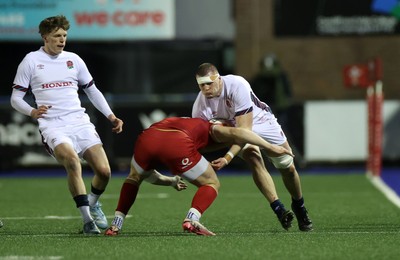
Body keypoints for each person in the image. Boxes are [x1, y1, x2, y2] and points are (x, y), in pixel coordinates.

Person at [10, 15, 124, 235]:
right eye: (57, 36)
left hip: (79, 121)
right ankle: (87, 221)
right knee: (73, 162)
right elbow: (16, 98)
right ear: (45, 37)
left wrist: (111, 116)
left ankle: (93, 203)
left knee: (104, 171)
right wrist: (32, 111)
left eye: (64, 35)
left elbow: (92, 90)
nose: (62, 40)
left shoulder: (74, 59)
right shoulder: (31, 61)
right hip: (52, 125)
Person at [105, 117, 293, 236]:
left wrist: (171, 181)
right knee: (211, 182)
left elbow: (147, 175)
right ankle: (191, 219)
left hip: (147, 137)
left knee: (133, 178)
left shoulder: (188, 121)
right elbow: (239, 134)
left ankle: (116, 224)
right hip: (176, 142)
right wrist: (271, 147)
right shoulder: (214, 127)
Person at [192, 63, 313, 232]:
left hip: (261, 121)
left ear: (218, 79)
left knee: (287, 166)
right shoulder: (200, 107)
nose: (205, 88)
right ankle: (278, 208)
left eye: (209, 83)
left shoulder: (236, 85)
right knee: (253, 157)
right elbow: (202, 141)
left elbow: (245, 131)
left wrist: (227, 158)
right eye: (201, 85)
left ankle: (299, 204)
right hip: (236, 129)